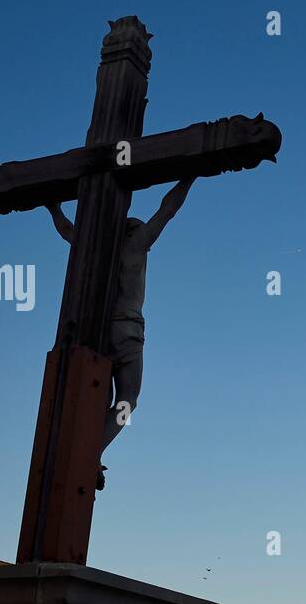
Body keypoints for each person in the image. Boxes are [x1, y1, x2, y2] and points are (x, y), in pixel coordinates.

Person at [45, 177, 197, 490]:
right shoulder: (138, 243)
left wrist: (53, 208)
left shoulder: (96, 247)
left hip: (97, 331)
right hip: (128, 330)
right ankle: (92, 451)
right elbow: (167, 210)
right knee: (128, 400)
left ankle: (89, 451)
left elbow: (67, 231)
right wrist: (190, 176)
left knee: (100, 398)